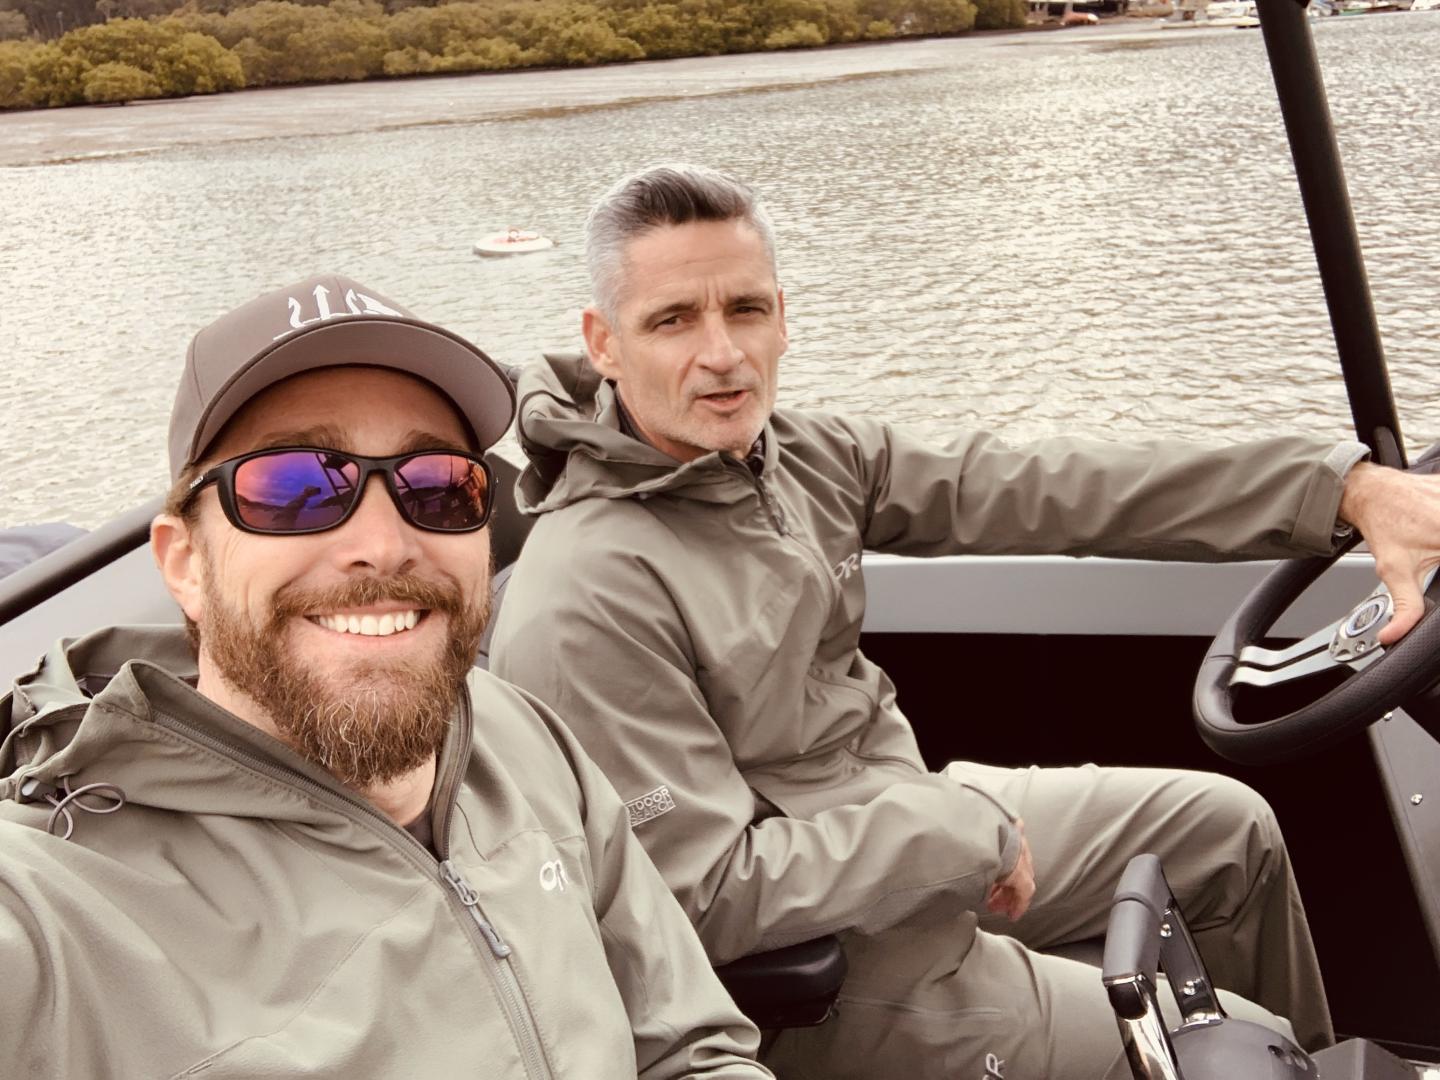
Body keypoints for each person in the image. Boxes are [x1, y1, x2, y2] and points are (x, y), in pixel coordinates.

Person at [489, 165, 1440, 1078]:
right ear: (604, 341)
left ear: (784, 315)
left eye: (746, 308)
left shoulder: (805, 458)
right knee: (1253, 1049)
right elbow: (699, 899)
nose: (722, 354)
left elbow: (1056, 487)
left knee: (1227, 832)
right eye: (672, 320)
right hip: (826, 969)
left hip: (907, 821)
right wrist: (958, 836)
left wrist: (1340, 489)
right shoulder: (584, 594)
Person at [0, 274, 774, 1080]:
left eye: (437, 486)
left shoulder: (519, 734)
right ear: (186, 563)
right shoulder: (58, 909)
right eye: (295, 488)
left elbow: (689, 1045)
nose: (385, 542)